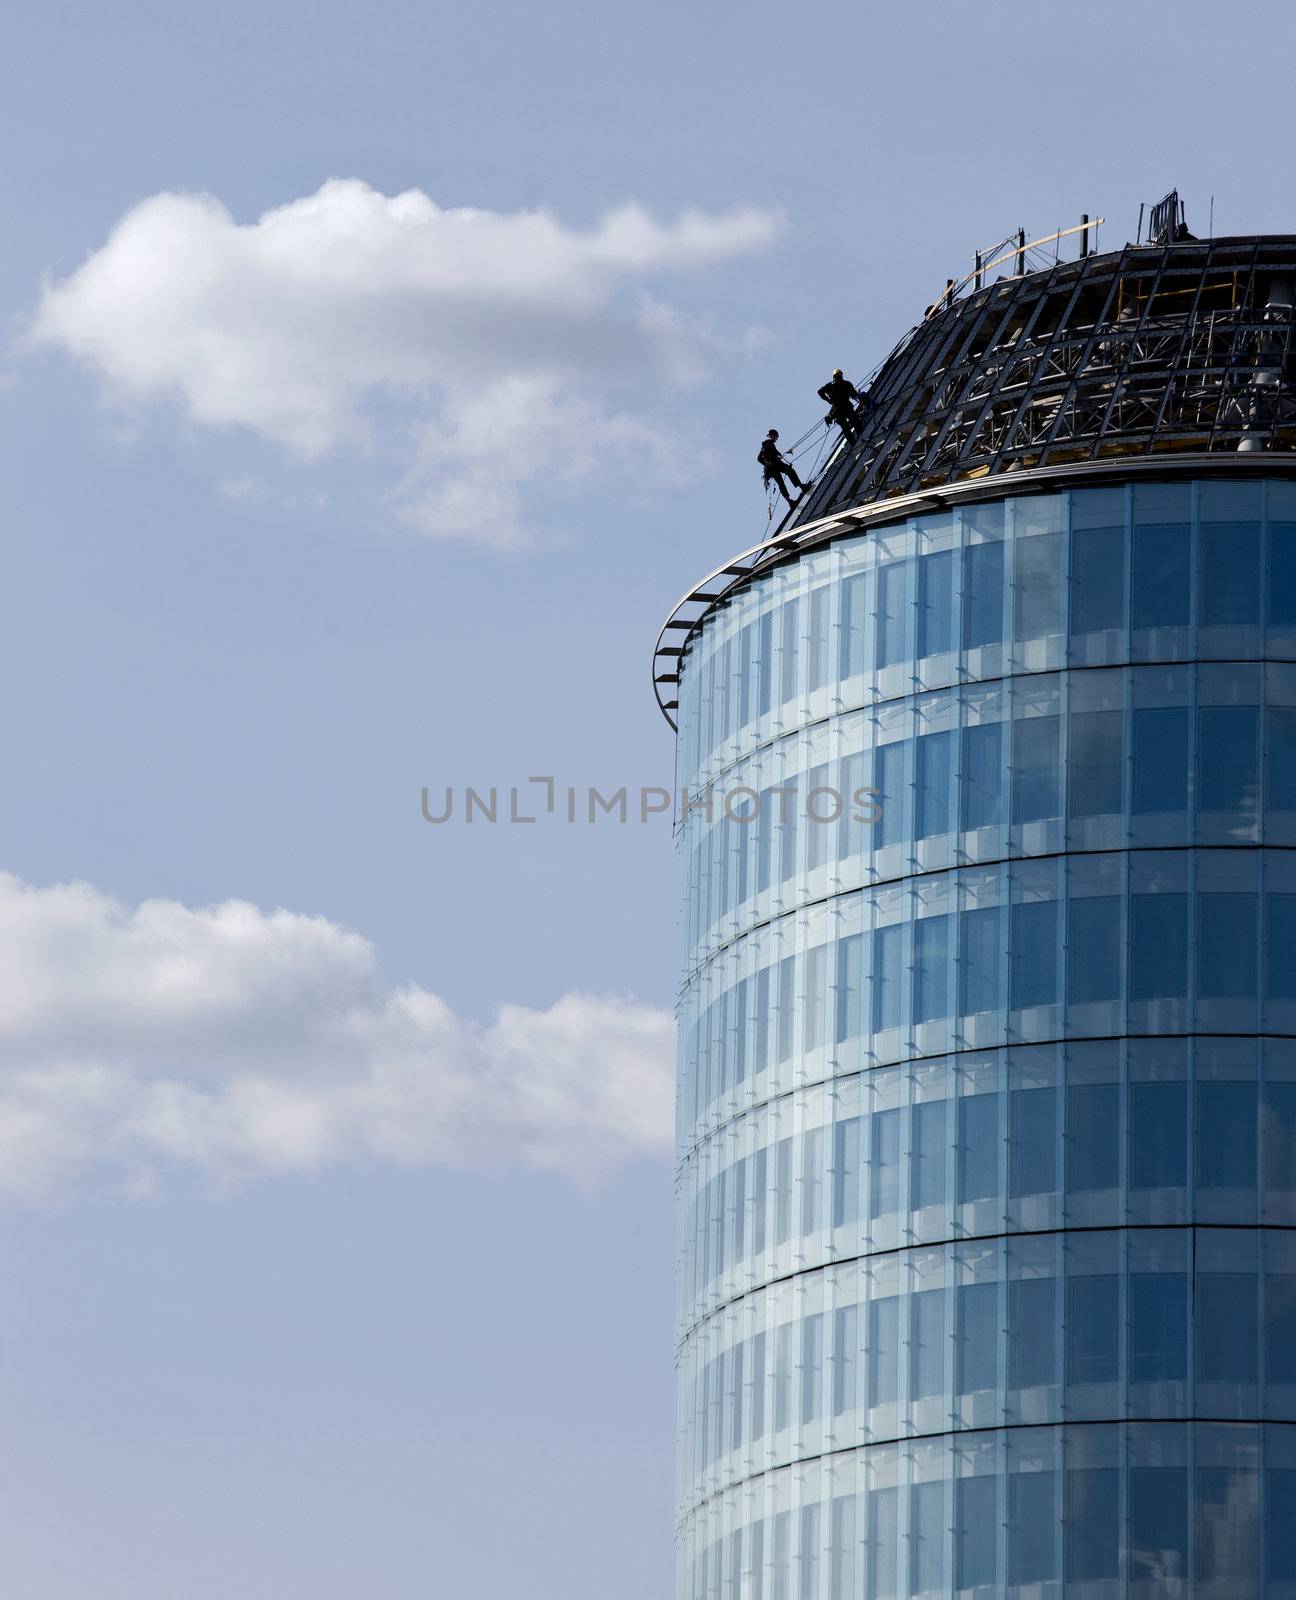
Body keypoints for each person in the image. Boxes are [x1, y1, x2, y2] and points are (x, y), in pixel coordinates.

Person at [758, 429, 807, 505]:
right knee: (787, 474)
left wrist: (775, 458)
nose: (776, 439)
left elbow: (770, 455)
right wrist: (768, 463)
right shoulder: (767, 444)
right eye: (776, 437)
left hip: (774, 466)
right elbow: (759, 459)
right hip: (772, 467)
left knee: (784, 478)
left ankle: (790, 500)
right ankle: (800, 488)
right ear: (773, 436)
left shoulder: (769, 444)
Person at [817, 368, 864, 439]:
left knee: (845, 429)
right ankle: (861, 435)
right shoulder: (846, 383)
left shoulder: (829, 385)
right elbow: (854, 395)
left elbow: (820, 392)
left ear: (834, 377)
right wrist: (858, 394)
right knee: (855, 422)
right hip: (846, 406)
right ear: (841, 376)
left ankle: (852, 443)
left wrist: (828, 400)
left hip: (837, 409)